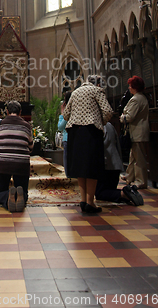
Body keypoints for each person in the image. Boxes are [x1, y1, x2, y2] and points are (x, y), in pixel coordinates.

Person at [63, 75, 113, 213]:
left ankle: (83, 200)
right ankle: (91, 202)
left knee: (81, 167)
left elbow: (66, 114)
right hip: (91, 131)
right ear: (98, 84)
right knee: (92, 166)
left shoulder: (75, 92)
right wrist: (101, 121)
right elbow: (108, 111)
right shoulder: (97, 91)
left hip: (74, 132)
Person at [0, 101, 33, 212]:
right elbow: (30, 146)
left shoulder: (0, 124)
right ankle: (20, 195)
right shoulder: (26, 125)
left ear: (6, 111)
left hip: (2, 164)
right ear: (20, 112)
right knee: (24, 191)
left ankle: (7, 197)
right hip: (22, 164)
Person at [95, 122, 143, 206]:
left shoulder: (97, 126)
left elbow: (100, 149)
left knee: (99, 193)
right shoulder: (110, 125)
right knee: (109, 189)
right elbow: (118, 146)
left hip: (106, 166)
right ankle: (129, 191)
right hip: (116, 166)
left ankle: (124, 194)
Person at [120, 75, 150, 189]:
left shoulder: (136, 99)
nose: (129, 88)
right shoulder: (140, 97)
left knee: (139, 159)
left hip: (138, 132)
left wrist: (122, 117)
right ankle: (130, 176)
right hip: (137, 132)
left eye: (130, 86)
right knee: (133, 157)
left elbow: (129, 117)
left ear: (135, 87)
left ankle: (141, 181)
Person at [58, 91, 72, 177]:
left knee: (67, 164)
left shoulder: (68, 112)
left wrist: (62, 114)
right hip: (75, 139)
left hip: (67, 139)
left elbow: (60, 126)